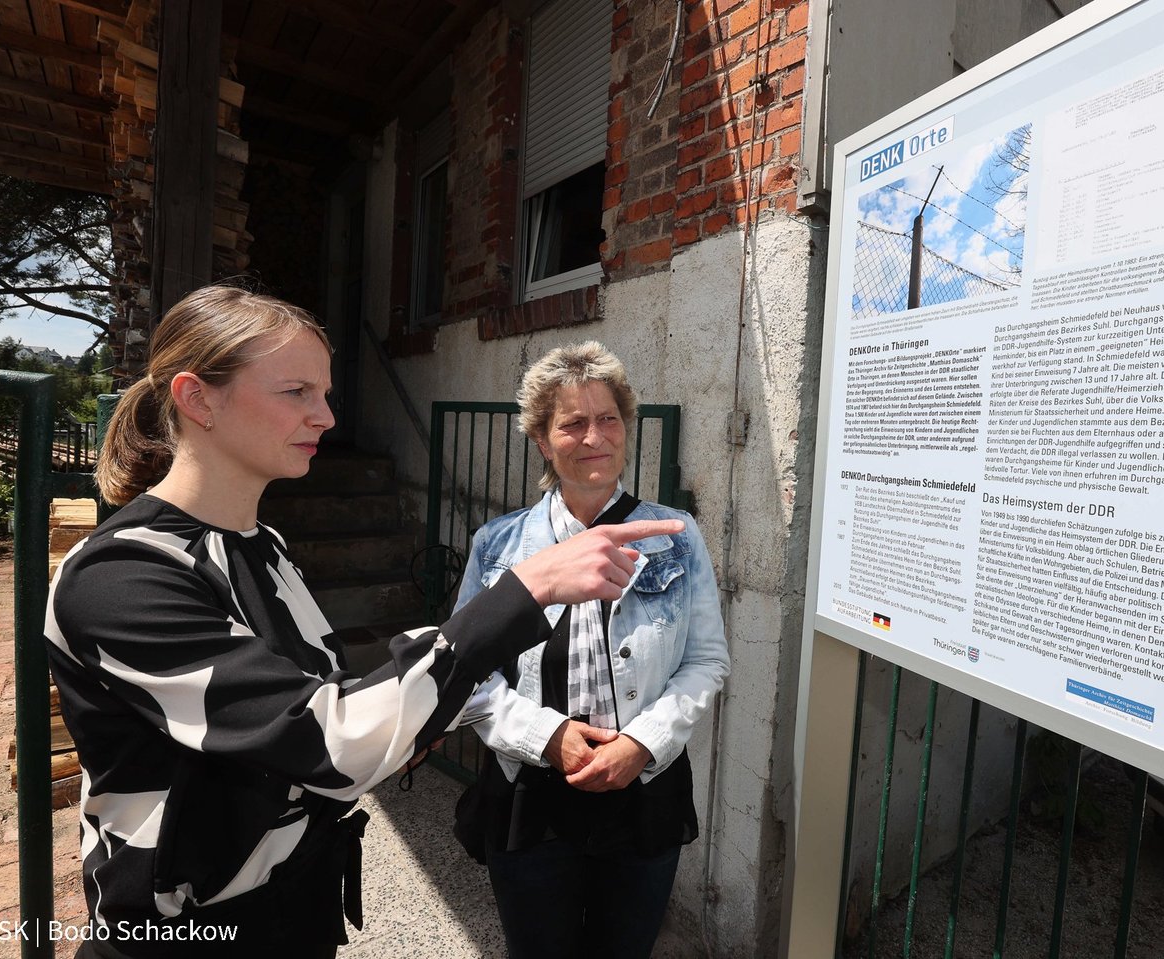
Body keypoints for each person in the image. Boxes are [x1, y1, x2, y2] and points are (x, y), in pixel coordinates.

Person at [45, 287, 683, 958]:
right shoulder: (119, 577)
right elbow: (326, 741)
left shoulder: (262, 544)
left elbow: (313, 706)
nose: (324, 416)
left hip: (293, 913)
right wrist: (529, 587)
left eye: (325, 393)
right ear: (197, 397)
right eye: (296, 391)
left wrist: (412, 722)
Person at [452, 341, 729, 959]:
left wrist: (645, 743)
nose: (594, 436)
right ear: (544, 442)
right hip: (532, 793)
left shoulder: (675, 538)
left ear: (626, 430)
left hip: (642, 793)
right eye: (572, 423)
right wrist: (546, 737)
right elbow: (464, 672)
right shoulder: (498, 546)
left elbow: (706, 660)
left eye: (607, 419)